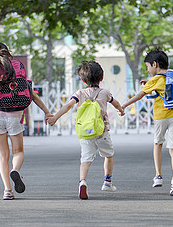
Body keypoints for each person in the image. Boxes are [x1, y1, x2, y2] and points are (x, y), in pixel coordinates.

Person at [0, 42, 51, 200]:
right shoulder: (18, 68)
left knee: (2, 154)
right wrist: (46, 111)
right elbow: (31, 93)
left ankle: (7, 190)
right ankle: (16, 170)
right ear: (7, 52)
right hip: (16, 115)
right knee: (18, 151)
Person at [47, 60, 124, 200]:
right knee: (108, 155)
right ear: (101, 78)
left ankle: (82, 181)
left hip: (85, 132)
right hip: (102, 132)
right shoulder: (105, 92)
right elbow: (116, 103)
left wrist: (55, 118)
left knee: (85, 159)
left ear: (82, 80)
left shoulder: (80, 93)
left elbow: (67, 106)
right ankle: (107, 182)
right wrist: (120, 110)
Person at [120, 48, 173, 196]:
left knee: (158, 144)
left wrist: (124, 105)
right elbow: (165, 86)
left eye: (148, 67)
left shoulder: (155, 79)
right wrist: (150, 82)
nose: (148, 70)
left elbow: (140, 95)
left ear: (155, 64)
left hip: (161, 116)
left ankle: (158, 176)